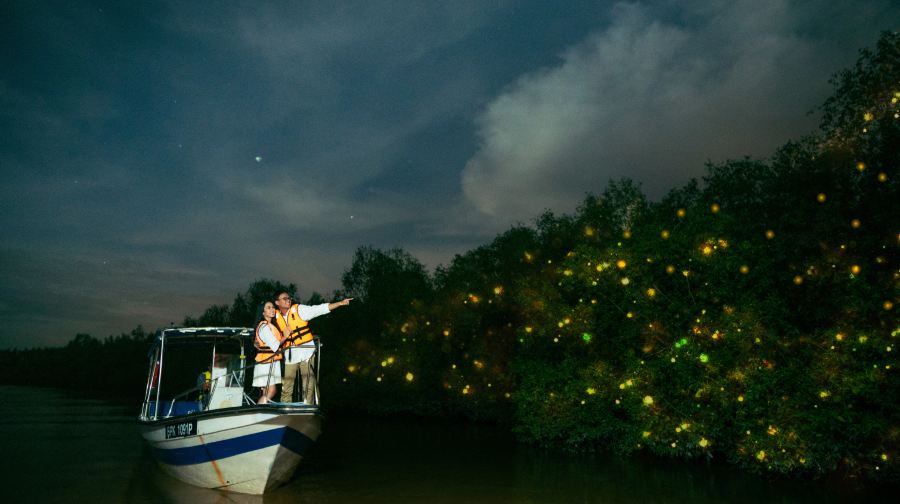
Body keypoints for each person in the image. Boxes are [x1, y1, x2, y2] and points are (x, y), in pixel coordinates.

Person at [273, 291, 352, 403]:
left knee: (308, 384)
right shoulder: (274, 316)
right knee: (287, 385)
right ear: (277, 302)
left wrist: (339, 303)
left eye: (289, 297)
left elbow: (318, 309)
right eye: (284, 298)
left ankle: (307, 408)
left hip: (306, 352)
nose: (288, 299)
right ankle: (285, 410)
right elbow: (263, 322)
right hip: (290, 354)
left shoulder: (299, 310)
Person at [252, 301, 283, 404]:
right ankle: (257, 411)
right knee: (272, 391)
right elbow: (275, 346)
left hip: (270, 361)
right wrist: (286, 336)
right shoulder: (264, 327)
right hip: (266, 362)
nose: (272, 309)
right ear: (263, 312)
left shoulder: (269, 325)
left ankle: (260, 414)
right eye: (268, 308)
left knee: (266, 392)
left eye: (273, 307)